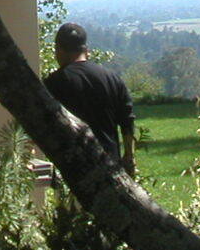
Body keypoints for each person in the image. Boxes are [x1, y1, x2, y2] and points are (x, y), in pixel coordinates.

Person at [43, 22, 136, 175]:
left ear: (58, 50)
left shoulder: (54, 83)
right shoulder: (112, 77)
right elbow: (127, 121)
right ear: (86, 50)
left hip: (74, 169)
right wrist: (129, 157)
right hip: (111, 166)